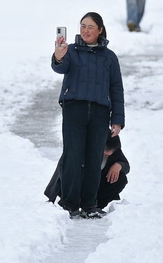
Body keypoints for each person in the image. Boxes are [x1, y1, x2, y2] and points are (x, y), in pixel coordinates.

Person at [51, 12, 125, 219]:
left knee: (94, 158)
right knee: (73, 156)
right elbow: (60, 67)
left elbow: (116, 89)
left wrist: (117, 120)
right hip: (74, 109)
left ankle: (90, 204)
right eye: (82, 26)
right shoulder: (71, 51)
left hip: (100, 113)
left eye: (90, 27)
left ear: (100, 30)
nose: (85, 30)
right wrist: (58, 54)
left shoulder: (109, 57)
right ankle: (69, 203)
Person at [45, 133, 130, 210]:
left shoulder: (115, 151)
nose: (107, 155)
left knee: (121, 178)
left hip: (97, 187)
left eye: (110, 153)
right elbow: (65, 168)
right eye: (104, 153)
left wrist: (118, 165)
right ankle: (71, 204)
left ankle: (96, 207)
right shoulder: (81, 146)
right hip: (76, 186)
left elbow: (126, 165)